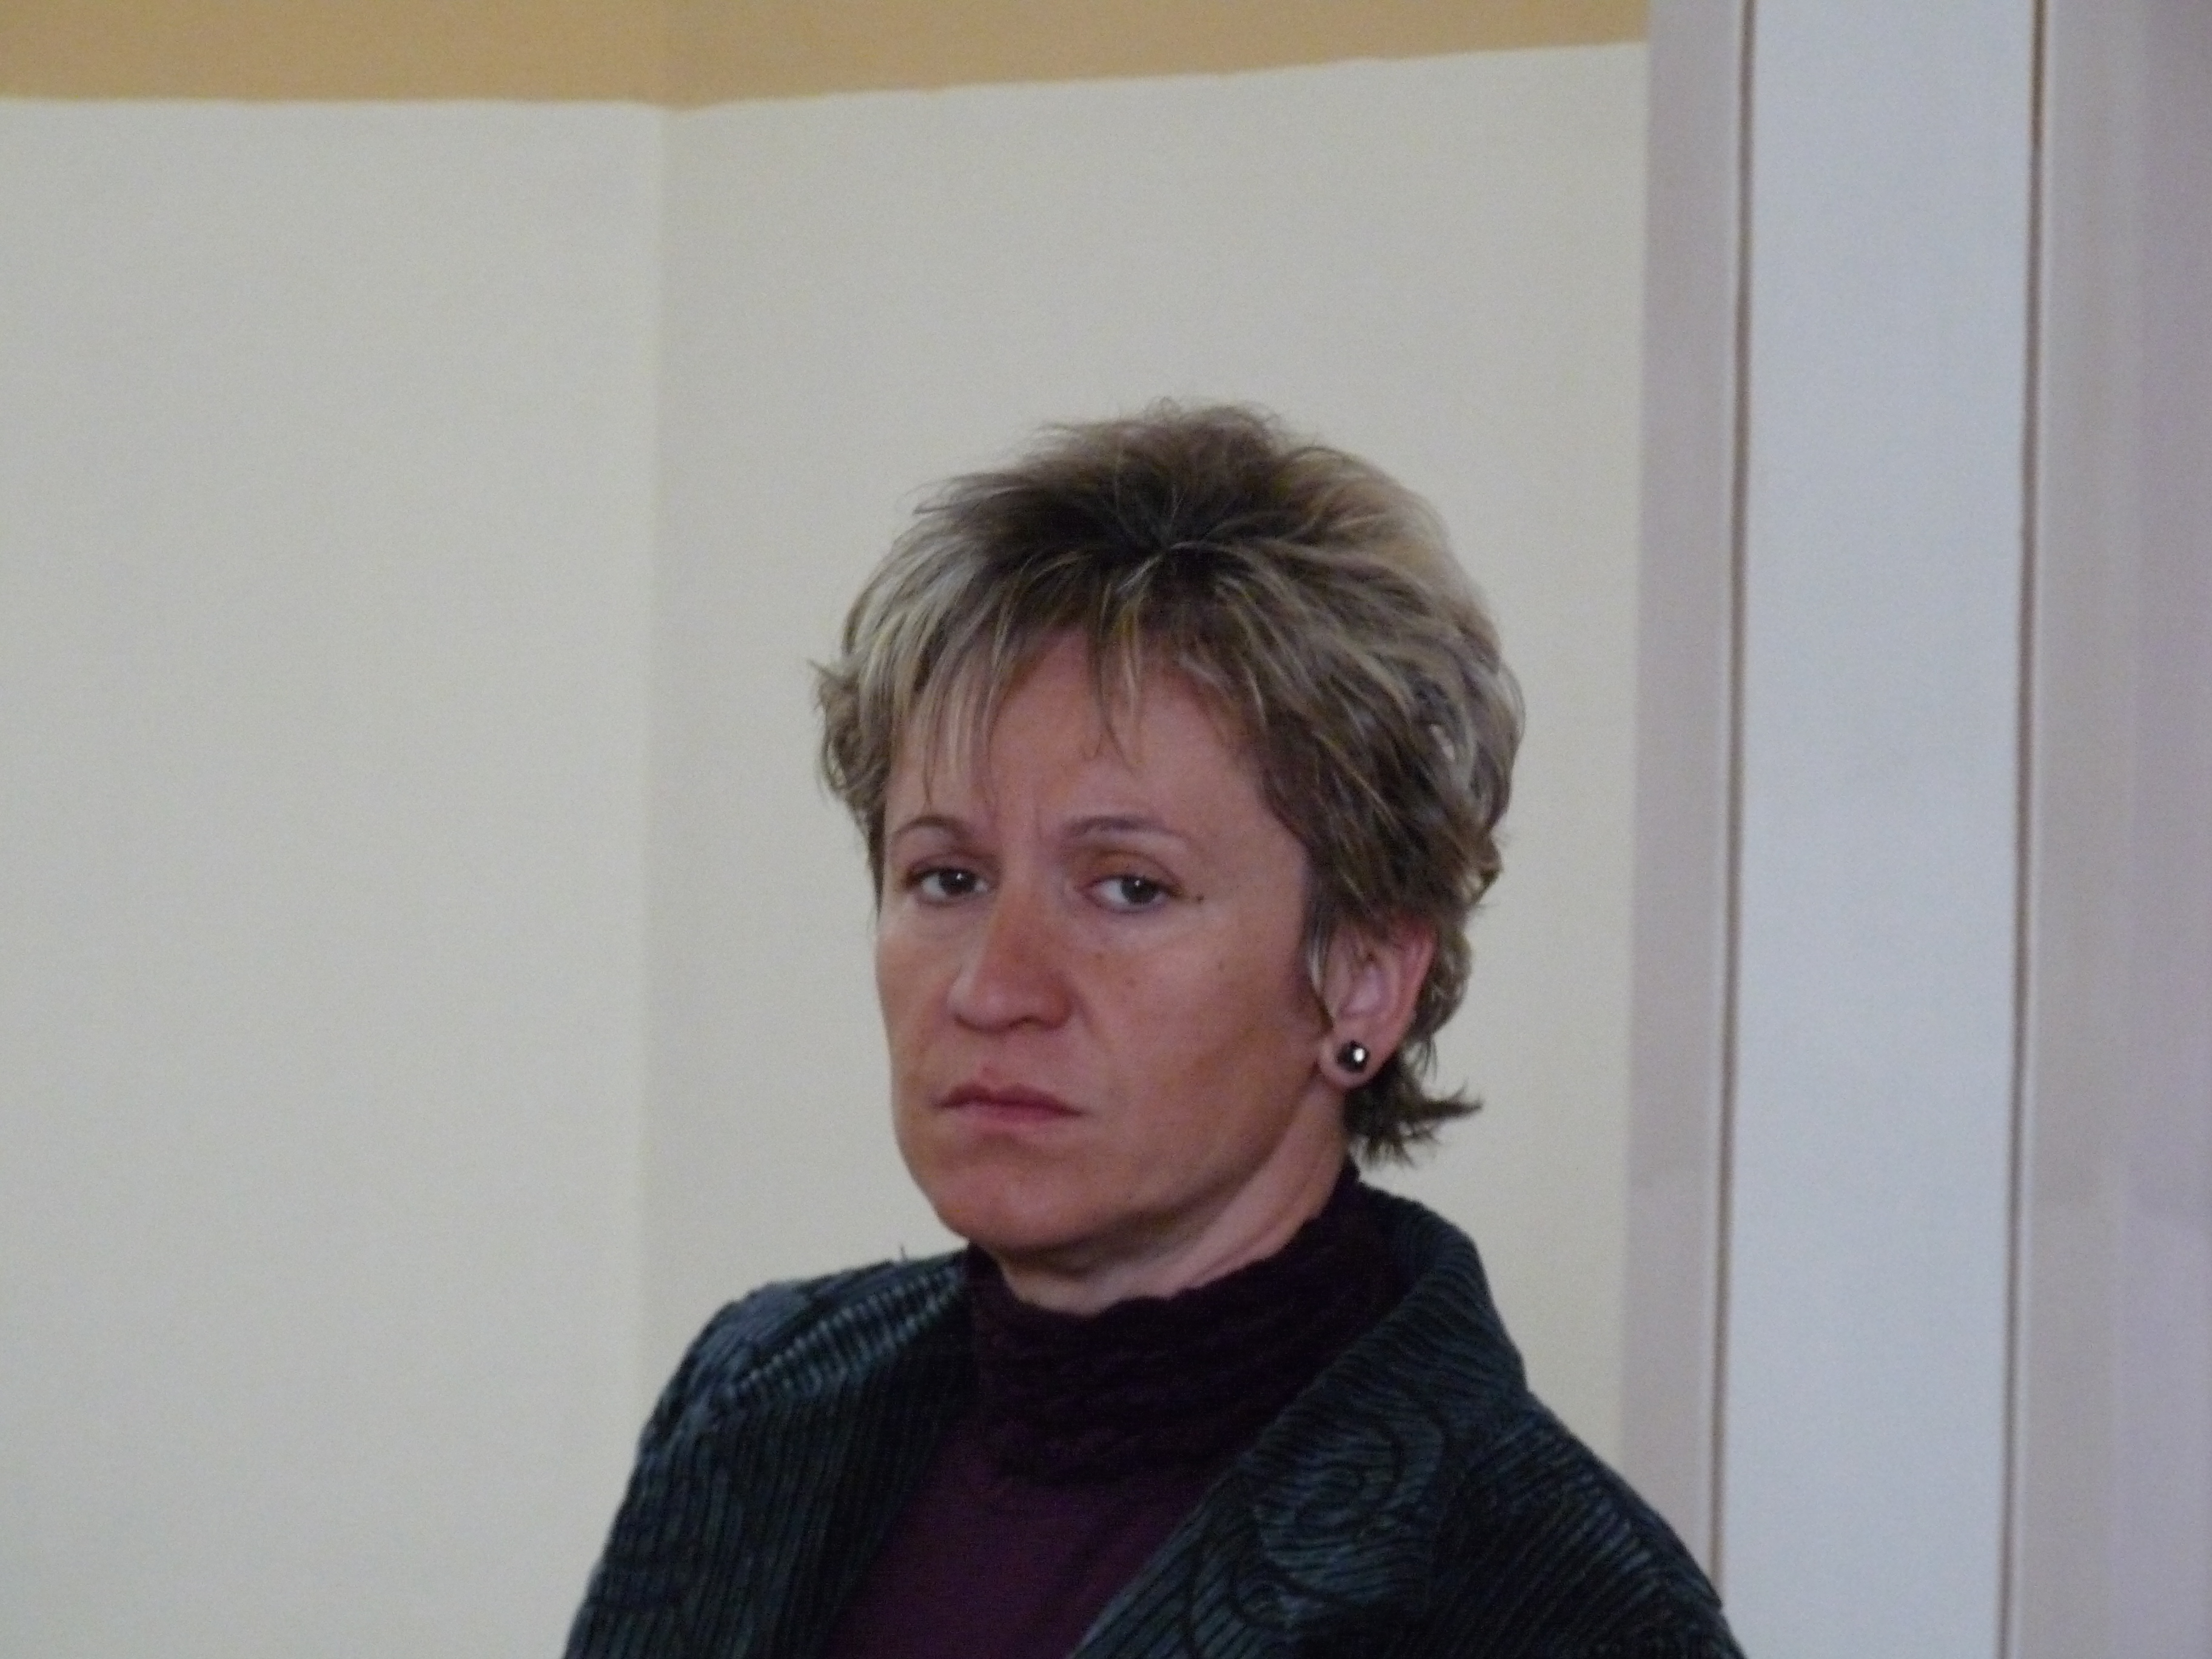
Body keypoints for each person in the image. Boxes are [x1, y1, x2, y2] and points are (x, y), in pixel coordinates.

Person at [564, 405, 1743, 1658]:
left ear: (1361, 981)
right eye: (948, 878)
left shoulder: (1552, 1603)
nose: (994, 988)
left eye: (1130, 888)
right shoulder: (752, 1404)